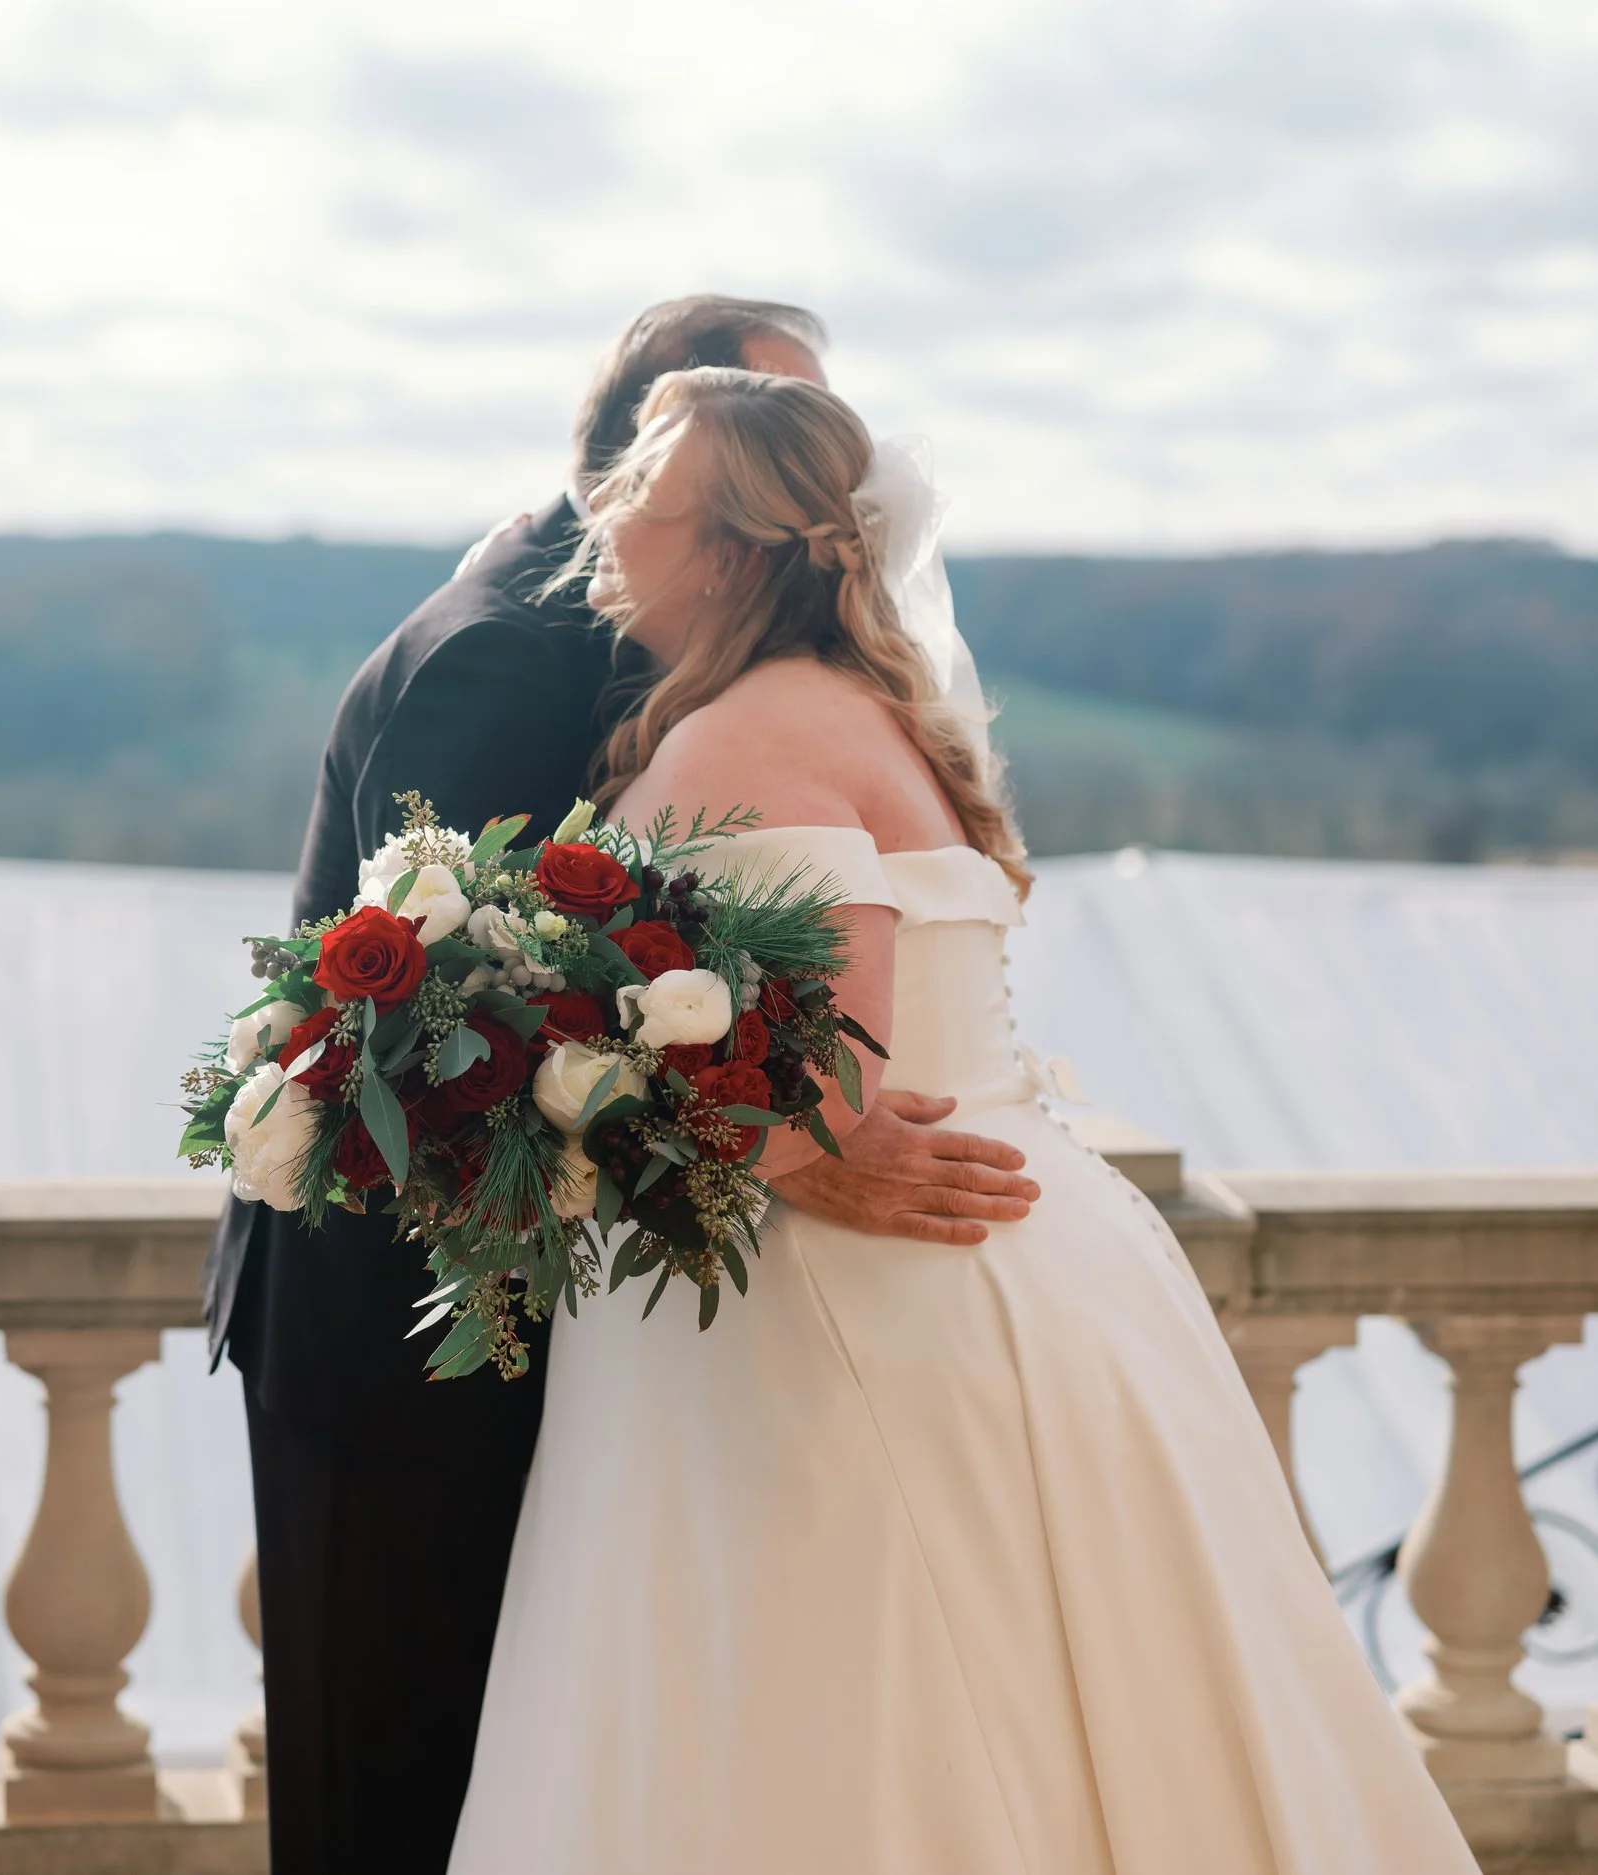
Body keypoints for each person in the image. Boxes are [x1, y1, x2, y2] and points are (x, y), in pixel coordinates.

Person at [447, 368, 1477, 1872]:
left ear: (731, 551)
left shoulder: (738, 739)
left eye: (645, 500)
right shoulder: (867, 708)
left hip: (846, 1320)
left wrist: (553, 1117)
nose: (604, 520)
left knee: (841, 1729)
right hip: (1017, 1269)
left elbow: (827, 1079)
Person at [202, 298, 1045, 1875]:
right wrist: (788, 1157)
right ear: (666, 464)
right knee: (400, 1786)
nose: (834, 489)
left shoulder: (682, 658)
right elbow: (449, 1020)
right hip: (405, 1330)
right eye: (780, 441)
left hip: (545, 1308)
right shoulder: (520, 652)